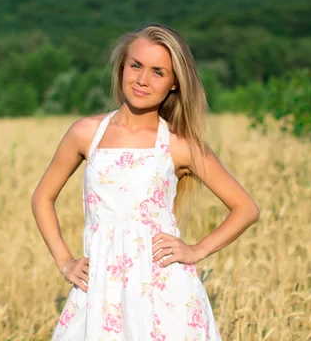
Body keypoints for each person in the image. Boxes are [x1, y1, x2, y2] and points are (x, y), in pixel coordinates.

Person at [31, 23, 260, 340]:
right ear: (122, 67)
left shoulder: (180, 145)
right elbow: (42, 197)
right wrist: (65, 262)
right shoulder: (86, 134)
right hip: (99, 292)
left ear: (175, 84)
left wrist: (195, 251)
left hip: (164, 295)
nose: (142, 80)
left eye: (158, 72)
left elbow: (246, 208)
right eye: (135, 65)